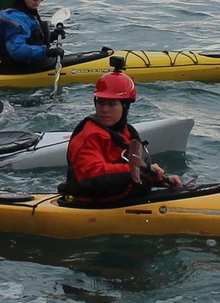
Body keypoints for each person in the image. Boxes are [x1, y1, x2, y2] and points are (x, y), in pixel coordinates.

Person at [61, 70, 182, 204]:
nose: (104, 109)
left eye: (112, 104)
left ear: (125, 107)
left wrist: (160, 180)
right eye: (101, 103)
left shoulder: (128, 132)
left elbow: (139, 168)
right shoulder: (90, 136)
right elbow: (92, 175)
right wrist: (138, 170)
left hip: (121, 198)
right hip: (90, 202)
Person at [0, 0, 61, 73]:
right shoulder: (13, 19)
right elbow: (16, 50)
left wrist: (53, 36)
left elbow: (29, 39)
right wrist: (46, 52)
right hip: (19, 69)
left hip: (30, 64)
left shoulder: (26, 13)